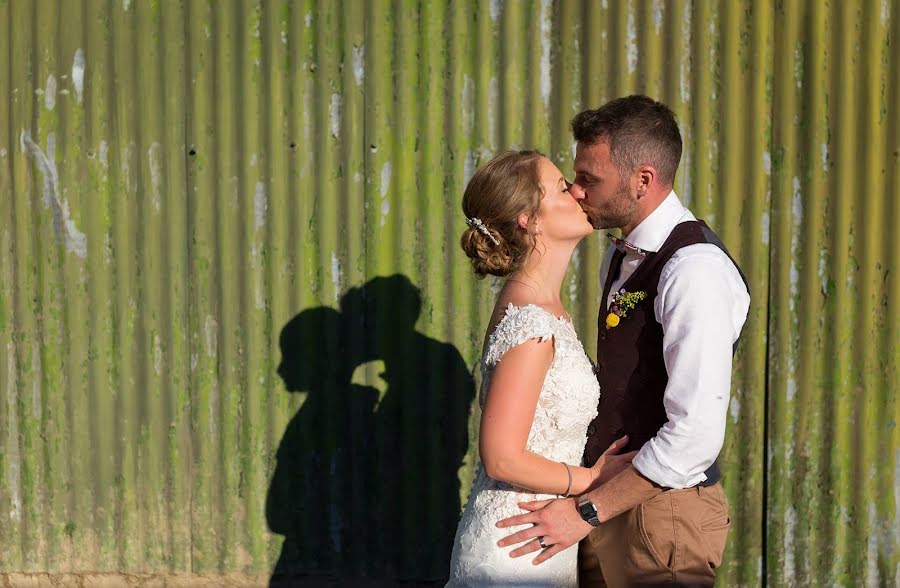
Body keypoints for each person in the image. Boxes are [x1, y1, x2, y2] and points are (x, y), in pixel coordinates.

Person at [496, 95, 751, 587]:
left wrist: (586, 511)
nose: (576, 189)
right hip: (605, 505)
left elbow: (695, 434)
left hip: (660, 516)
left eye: (590, 178)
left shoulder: (693, 270)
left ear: (643, 180)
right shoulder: (622, 253)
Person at [445, 150, 635, 587]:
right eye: (561, 188)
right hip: (515, 548)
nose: (577, 192)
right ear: (528, 219)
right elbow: (500, 455)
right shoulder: (531, 322)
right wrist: (590, 480)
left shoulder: (543, 308)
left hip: (538, 540)